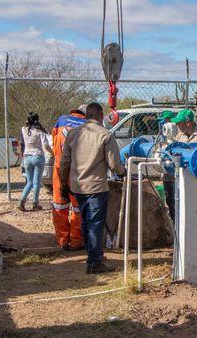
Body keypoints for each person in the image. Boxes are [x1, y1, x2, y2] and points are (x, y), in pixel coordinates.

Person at [59, 102, 126, 274]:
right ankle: (95, 262)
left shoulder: (73, 134)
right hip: (96, 186)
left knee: (85, 220)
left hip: (78, 186)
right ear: (100, 116)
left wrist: (63, 184)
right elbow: (113, 164)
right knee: (95, 224)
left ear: (86, 116)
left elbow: (64, 162)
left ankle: (92, 254)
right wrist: (123, 171)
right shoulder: (105, 134)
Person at [162, 109, 197, 222]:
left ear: (188, 122)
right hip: (182, 178)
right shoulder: (179, 136)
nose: (177, 125)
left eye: (179, 123)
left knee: (196, 208)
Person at [51, 106, 86, 251]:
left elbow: (54, 143)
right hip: (77, 169)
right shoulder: (86, 125)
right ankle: (76, 241)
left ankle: (62, 240)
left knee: (60, 204)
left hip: (59, 167)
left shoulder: (61, 121)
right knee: (78, 206)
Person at [19, 112, 52, 212]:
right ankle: (35, 204)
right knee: (36, 182)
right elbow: (45, 146)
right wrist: (54, 153)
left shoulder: (23, 129)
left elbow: (22, 143)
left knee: (29, 182)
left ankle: (21, 202)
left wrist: (22, 154)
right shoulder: (39, 131)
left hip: (27, 157)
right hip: (38, 156)